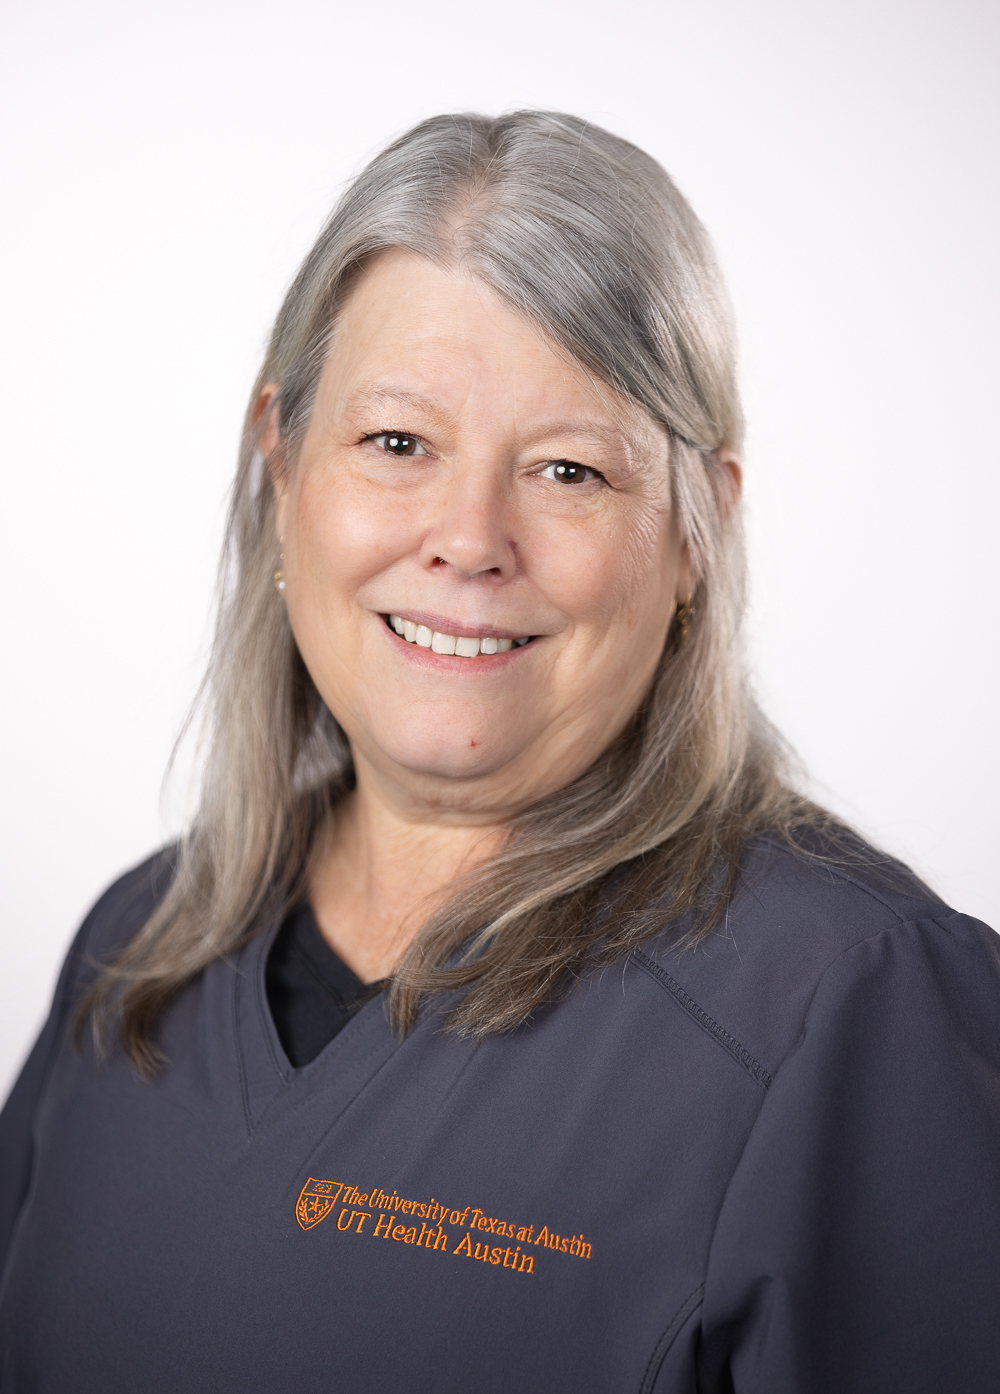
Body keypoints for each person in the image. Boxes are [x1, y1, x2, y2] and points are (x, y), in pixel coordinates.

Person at [1, 110, 997, 1394]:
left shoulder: (861, 1006)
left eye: (570, 469)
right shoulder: (140, 947)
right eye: (398, 443)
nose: (469, 538)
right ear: (281, 459)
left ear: (696, 533)